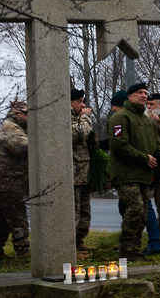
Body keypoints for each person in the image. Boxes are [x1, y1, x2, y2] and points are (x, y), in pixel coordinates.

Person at [108, 82, 160, 260]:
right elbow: (120, 146)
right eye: (140, 92)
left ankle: (135, 249)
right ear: (130, 96)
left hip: (144, 174)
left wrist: (159, 153)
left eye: (146, 92)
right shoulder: (120, 118)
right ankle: (126, 248)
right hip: (126, 174)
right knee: (135, 209)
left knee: (142, 213)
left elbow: (157, 141)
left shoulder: (147, 120)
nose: (144, 95)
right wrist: (144, 158)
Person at [0, 100, 30, 261]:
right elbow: (24, 147)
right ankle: (22, 250)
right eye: (26, 113)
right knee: (16, 215)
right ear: (17, 113)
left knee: (1, 220)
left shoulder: (17, 127)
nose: (29, 117)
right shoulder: (9, 128)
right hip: (6, 181)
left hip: (5, 180)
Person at [71, 87, 96, 259]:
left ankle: (79, 242)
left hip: (82, 173)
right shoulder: (69, 116)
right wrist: (86, 117)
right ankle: (70, 248)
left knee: (84, 212)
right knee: (74, 213)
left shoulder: (77, 117)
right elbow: (78, 133)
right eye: (79, 101)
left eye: (83, 101)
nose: (82, 105)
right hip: (73, 174)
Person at [142, 92, 160, 255]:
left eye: (152, 105)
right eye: (148, 104)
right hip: (149, 167)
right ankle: (153, 238)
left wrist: (158, 123)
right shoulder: (143, 120)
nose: (149, 107)